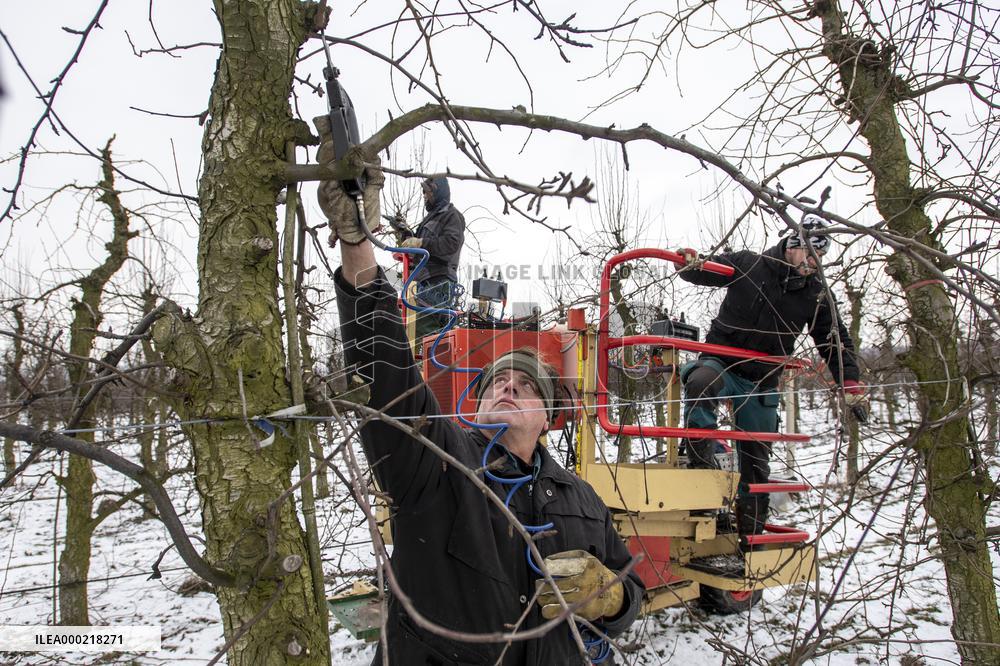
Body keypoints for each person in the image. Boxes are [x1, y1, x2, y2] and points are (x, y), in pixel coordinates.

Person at [318, 161, 643, 664]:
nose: (509, 386)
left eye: (527, 386)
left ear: (548, 418)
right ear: (478, 404)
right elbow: (389, 380)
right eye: (496, 382)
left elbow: (631, 589)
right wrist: (357, 240)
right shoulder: (441, 463)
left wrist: (614, 596)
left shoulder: (582, 498)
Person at [674, 215, 867, 542]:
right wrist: (690, 264)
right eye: (809, 254)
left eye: (820, 257)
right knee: (701, 381)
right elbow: (708, 270)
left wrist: (850, 384)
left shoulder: (816, 294)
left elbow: (834, 341)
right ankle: (701, 474)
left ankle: (750, 537)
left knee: (756, 460)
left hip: (760, 378)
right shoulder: (750, 264)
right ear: (792, 246)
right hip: (721, 361)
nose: (813, 263)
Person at [390, 176, 466, 340]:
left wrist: (421, 242)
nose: (424, 195)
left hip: (438, 281)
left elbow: (451, 244)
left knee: (426, 331)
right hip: (423, 281)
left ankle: (431, 357)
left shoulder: (451, 216)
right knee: (415, 331)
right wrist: (405, 232)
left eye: (427, 192)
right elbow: (418, 251)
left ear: (438, 192)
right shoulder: (432, 218)